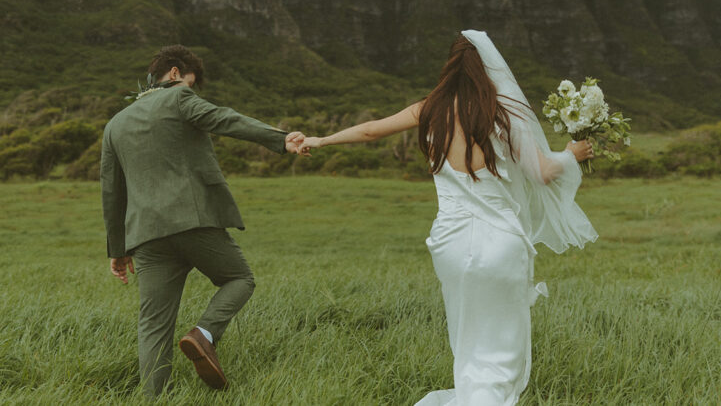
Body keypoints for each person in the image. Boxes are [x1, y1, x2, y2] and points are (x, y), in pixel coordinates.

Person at [299, 30, 598, 405]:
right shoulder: (503, 114)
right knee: (502, 339)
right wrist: (572, 154)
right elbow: (543, 173)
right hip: (500, 243)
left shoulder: (430, 109)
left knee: (467, 334)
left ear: (451, 65)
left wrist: (321, 140)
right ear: (490, 67)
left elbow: (372, 130)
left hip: (451, 243)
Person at [100, 45, 306, 398]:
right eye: (191, 83)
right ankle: (203, 334)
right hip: (193, 221)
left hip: (146, 235)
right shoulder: (180, 98)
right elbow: (224, 119)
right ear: (176, 74)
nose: (191, 90)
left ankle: (154, 399)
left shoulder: (114, 125)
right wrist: (280, 138)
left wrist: (117, 251)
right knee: (239, 278)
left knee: (153, 325)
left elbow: (111, 193)